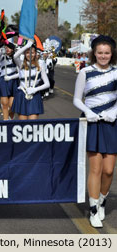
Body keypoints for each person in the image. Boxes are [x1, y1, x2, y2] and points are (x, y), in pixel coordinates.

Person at [73, 35, 117, 228]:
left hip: (111, 123)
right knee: (96, 169)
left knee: (108, 171)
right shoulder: (85, 72)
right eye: (100, 52)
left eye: (107, 52)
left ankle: (102, 201)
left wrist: (113, 113)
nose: (103, 56)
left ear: (112, 53)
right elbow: (76, 98)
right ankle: (93, 210)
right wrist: (88, 113)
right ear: (94, 53)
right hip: (92, 122)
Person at [11, 40, 50, 120]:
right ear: (25, 54)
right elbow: (15, 56)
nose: (30, 55)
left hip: (34, 95)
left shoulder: (40, 65)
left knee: (33, 124)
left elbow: (47, 84)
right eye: (27, 53)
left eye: (32, 52)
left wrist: (35, 89)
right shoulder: (21, 64)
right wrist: (27, 46)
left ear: (35, 54)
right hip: (22, 95)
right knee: (23, 124)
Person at [0, 43, 18, 120]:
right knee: (4, 104)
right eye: (6, 47)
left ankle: (10, 117)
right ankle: (5, 121)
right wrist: (1, 52)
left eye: (9, 48)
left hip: (13, 81)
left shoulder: (16, 57)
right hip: (3, 80)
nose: (7, 49)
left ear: (13, 49)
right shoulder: (2, 57)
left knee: (12, 105)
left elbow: (20, 72)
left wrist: (11, 77)